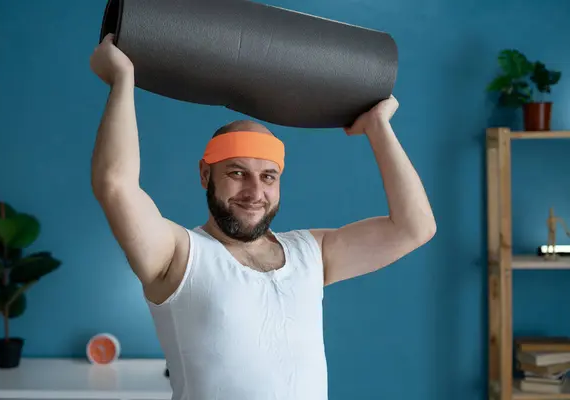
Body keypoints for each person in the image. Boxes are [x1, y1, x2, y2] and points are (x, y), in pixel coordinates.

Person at [90, 33, 436, 400]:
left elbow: (415, 227)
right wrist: (123, 78)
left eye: (268, 176)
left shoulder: (311, 254)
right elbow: (116, 184)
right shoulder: (177, 256)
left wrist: (378, 126)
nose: (255, 192)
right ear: (206, 175)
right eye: (237, 173)